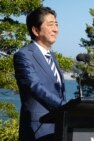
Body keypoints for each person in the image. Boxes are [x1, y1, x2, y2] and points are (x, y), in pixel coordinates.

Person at [13, 7, 66, 141]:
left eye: (56, 24)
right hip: (37, 129)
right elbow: (34, 86)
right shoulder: (23, 56)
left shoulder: (52, 56)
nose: (56, 29)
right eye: (50, 25)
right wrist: (65, 107)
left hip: (59, 127)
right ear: (36, 30)